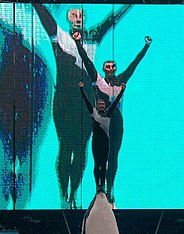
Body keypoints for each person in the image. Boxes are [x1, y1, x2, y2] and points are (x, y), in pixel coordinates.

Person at [33, 4, 132, 208]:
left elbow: (113, 18)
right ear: (68, 18)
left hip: (86, 103)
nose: (77, 17)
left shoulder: (93, 37)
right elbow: (41, 11)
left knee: (81, 150)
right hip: (63, 102)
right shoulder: (59, 35)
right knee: (65, 147)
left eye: (80, 14)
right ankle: (63, 195)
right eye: (73, 14)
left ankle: (74, 196)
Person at [73, 32, 152, 203]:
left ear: (115, 69)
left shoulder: (122, 79)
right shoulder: (97, 80)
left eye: (112, 66)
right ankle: (99, 187)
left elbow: (135, 63)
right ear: (103, 69)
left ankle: (110, 188)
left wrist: (146, 46)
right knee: (100, 156)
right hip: (101, 124)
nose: (110, 68)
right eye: (107, 66)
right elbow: (86, 60)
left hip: (116, 123)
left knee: (113, 156)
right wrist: (78, 42)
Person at [79, 81, 125, 192]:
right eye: (99, 104)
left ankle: (103, 186)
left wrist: (122, 90)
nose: (100, 105)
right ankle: (97, 185)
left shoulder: (108, 114)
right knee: (97, 165)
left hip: (105, 144)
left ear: (104, 106)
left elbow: (115, 102)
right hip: (96, 143)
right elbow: (87, 101)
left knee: (104, 165)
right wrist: (81, 89)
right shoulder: (93, 113)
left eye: (102, 104)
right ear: (97, 105)